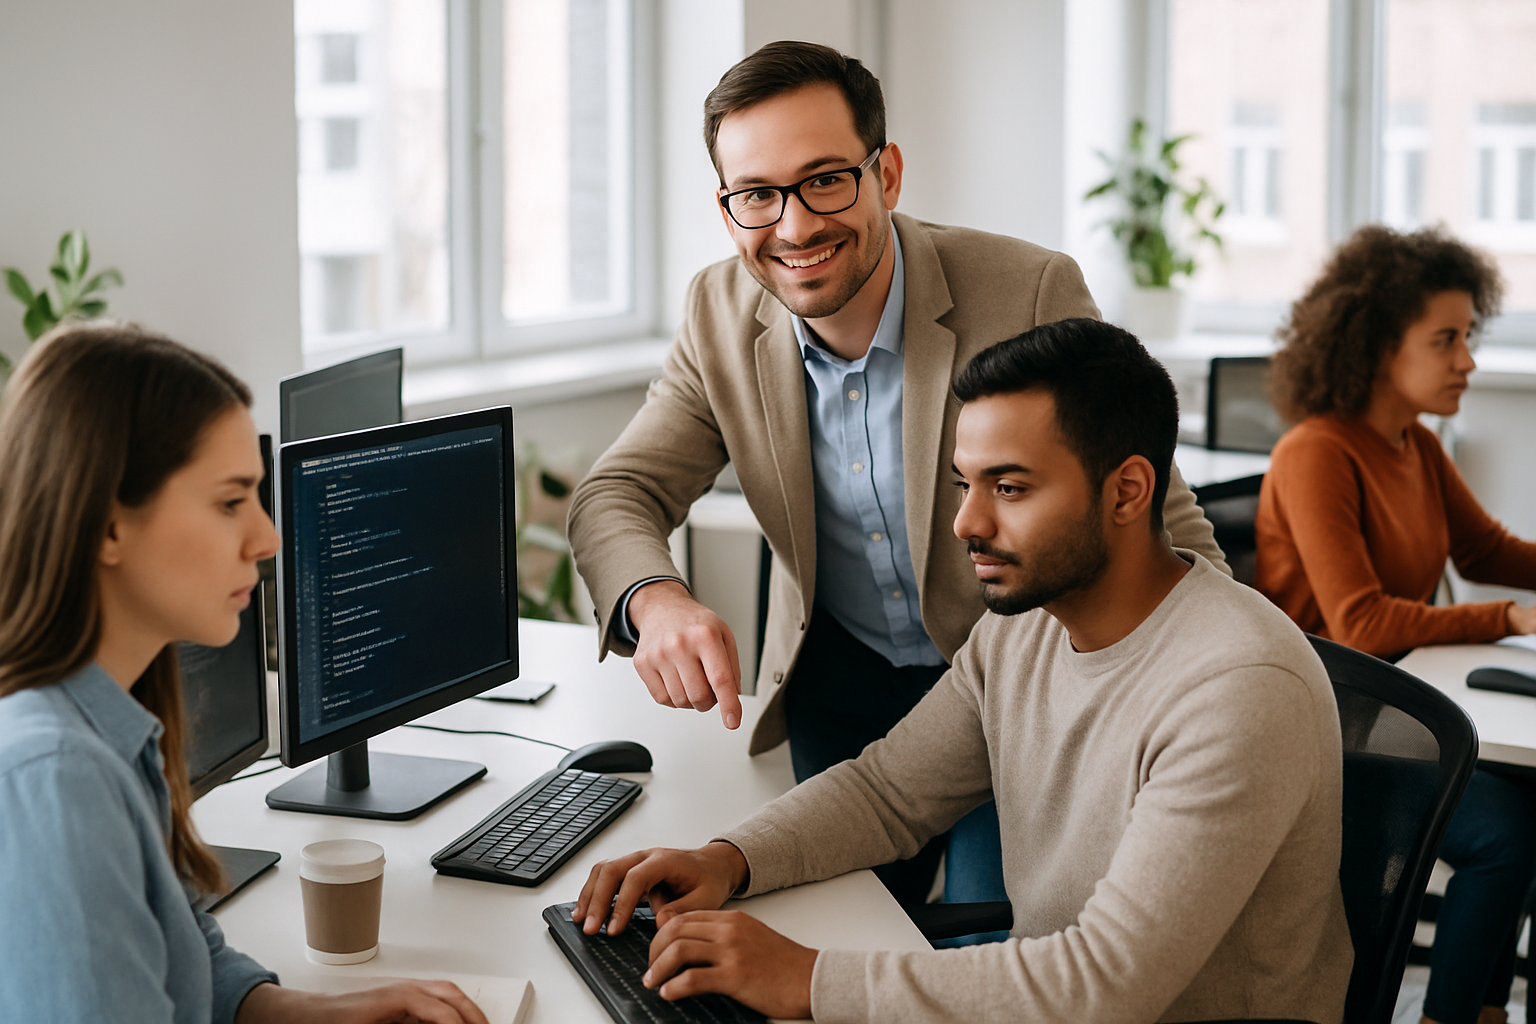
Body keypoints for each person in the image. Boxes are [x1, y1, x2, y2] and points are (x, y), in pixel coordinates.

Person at [566, 39, 1227, 914]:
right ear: (726, 209)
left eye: (825, 179)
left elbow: (1168, 528)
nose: (794, 226)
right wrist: (657, 600)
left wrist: (1226, 699)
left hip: (1015, 685)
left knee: (1005, 936)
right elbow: (618, 492)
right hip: (838, 681)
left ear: (888, 175)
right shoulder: (717, 311)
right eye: (757, 194)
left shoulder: (1027, 292)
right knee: (839, 925)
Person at [572, 318, 1352, 1024]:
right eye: (963, 483)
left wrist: (807, 978)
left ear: (1128, 491)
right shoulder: (1026, 627)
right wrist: (726, 860)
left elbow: (1107, 986)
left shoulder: (1239, 688)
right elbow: (888, 792)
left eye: (1009, 487)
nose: (966, 523)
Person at [0, 323, 489, 1024]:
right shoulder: (55, 775)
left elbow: (193, 964)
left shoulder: (114, 724)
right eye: (231, 503)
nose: (268, 539)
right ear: (108, 525)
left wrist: (330, 1014)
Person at [1256, 224, 1536, 1024]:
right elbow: (1363, 622)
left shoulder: (1414, 445)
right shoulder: (1316, 452)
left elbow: (1488, 550)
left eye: (1469, 336)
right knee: (1504, 836)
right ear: (1379, 346)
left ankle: (1479, 1011)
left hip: (1398, 707)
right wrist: (1510, 614)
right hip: (1329, 722)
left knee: (1529, 809)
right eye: (1446, 339)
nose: (1467, 360)